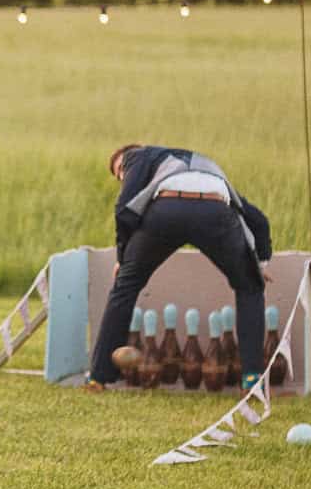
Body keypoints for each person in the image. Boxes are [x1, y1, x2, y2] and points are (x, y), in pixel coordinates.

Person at [88, 143, 273, 392]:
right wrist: (259, 265)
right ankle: (252, 381)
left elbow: (124, 208)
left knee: (125, 286)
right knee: (250, 287)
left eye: (120, 171)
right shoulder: (207, 166)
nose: (122, 177)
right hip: (215, 210)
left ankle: (98, 378)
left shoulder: (138, 155)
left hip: (165, 211)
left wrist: (123, 258)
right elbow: (259, 220)